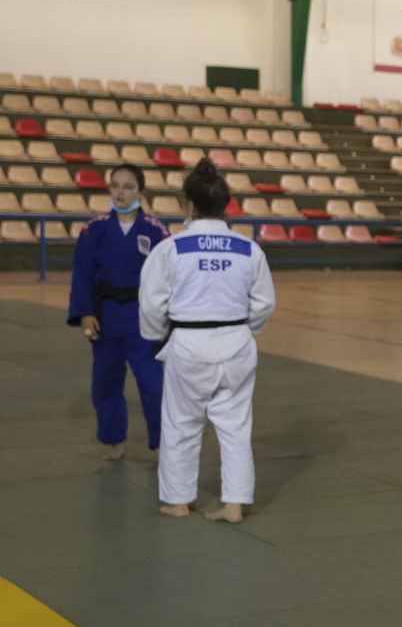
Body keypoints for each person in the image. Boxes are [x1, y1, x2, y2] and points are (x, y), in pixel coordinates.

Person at [138, 159, 276, 523]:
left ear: (190, 205)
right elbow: (264, 303)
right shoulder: (248, 249)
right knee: (235, 426)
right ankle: (234, 504)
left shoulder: (172, 248)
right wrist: (247, 329)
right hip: (236, 342)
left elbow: (152, 302)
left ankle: (178, 500)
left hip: (189, 343)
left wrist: (155, 337)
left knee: (181, 425)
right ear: (225, 205)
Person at [67, 163, 169, 460]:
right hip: (106, 316)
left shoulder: (156, 230)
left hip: (143, 317)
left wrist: (166, 317)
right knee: (104, 383)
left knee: (154, 385)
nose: (121, 192)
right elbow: (83, 273)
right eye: (116, 186)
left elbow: (167, 277)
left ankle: (162, 442)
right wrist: (86, 313)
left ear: (140, 192)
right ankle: (114, 440)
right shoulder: (94, 229)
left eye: (128, 186)